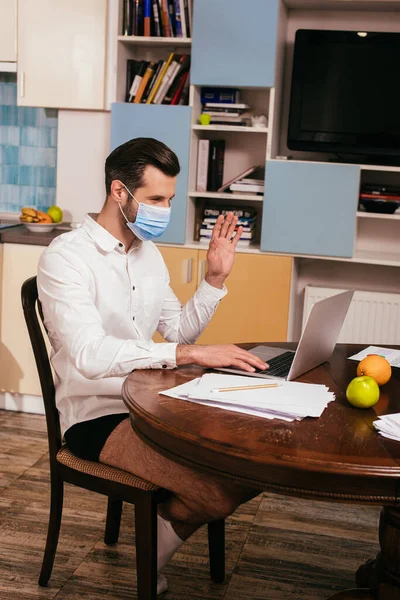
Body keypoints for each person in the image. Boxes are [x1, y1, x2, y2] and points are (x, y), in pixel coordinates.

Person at [37, 137, 267, 594]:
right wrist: (189, 356)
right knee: (217, 491)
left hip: (153, 401)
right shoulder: (66, 258)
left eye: (170, 199)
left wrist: (214, 279)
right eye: (156, 199)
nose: (165, 209)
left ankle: (155, 542)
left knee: (255, 463)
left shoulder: (148, 254)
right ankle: (152, 556)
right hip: (97, 415)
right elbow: (89, 353)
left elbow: (180, 334)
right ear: (119, 192)